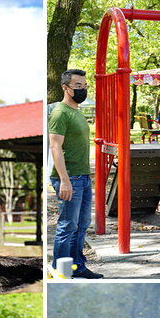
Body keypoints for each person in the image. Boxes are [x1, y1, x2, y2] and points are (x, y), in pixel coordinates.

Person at [49, 68, 102, 279]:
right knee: (66, 226)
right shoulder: (60, 113)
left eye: (85, 85)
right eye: (77, 86)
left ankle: (76, 267)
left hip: (83, 177)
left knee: (80, 226)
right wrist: (64, 180)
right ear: (65, 88)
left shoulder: (76, 111)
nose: (83, 89)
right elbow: (55, 147)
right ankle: (60, 273)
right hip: (69, 177)